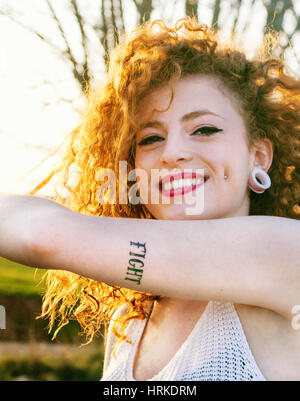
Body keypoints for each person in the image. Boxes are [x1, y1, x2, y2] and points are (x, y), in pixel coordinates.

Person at [0, 16, 300, 381]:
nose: (172, 153)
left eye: (204, 129)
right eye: (150, 139)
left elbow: (42, 237)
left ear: (259, 156)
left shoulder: (287, 254)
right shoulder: (130, 320)